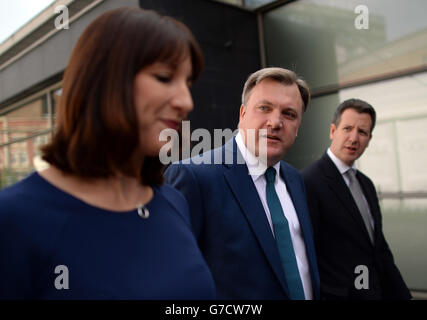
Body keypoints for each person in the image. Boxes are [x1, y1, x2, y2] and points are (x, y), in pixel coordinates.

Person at [0, 7, 215, 300]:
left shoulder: (173, 200)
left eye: (188, 83)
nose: (186, 101)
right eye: (164, 77)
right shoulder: (14, 219)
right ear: (104, 82)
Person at [165, 67, 320, 300]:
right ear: (242, 114)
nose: (276, 122)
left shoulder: (295, 179)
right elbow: (171, 281)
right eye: (264, 108)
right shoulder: (194, 177)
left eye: (289, 114)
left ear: (298, 127)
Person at [301, 99, 412, 300]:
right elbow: (307, 255)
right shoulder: (308, 182)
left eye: (362, 132)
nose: (354, 138)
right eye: (347, 128)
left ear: (369, 139)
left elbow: (378, 249)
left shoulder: (366, 184)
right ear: (333, 131)